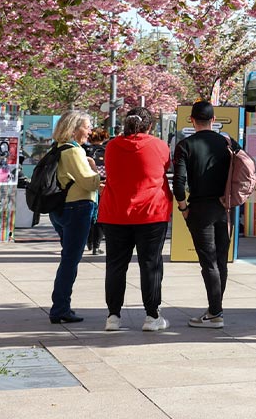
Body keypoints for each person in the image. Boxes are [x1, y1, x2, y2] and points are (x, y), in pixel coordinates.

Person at [97, 107, 172, 332]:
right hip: (151, 212)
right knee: (150, 264)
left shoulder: (111, 146)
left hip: (115, 213)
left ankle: (113, 316)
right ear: (149, 126)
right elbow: (165, 167)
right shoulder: (159, 146)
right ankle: (151, 315)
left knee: (115, 265)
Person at [173, 100, 235, 329]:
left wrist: (183, 208)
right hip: (224, 208)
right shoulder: (227, 142)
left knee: (208, 261)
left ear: (192, 120)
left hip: (199, 209)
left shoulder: (185, 145)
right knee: (220, 260)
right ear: (214, 119)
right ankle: (215, 309)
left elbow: (178, 183)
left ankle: (215, 312)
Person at [47, 110, 102, 325]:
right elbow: (89, 182)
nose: (90, 131)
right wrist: (95, 169)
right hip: (77, 208)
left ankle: (60, 306)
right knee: (70, 260)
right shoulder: (73, 152)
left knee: (68, 257)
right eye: (87, 126)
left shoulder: (58, 148)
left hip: (61, 208)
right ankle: (60, 307)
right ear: (74, 128)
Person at [85, 127, 110, 255]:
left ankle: (88, 242)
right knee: (99, 216)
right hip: (103, 185)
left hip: (87, 185)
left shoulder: (85, 150)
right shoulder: (107, 151)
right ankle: (96, 245)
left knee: (89, 215)